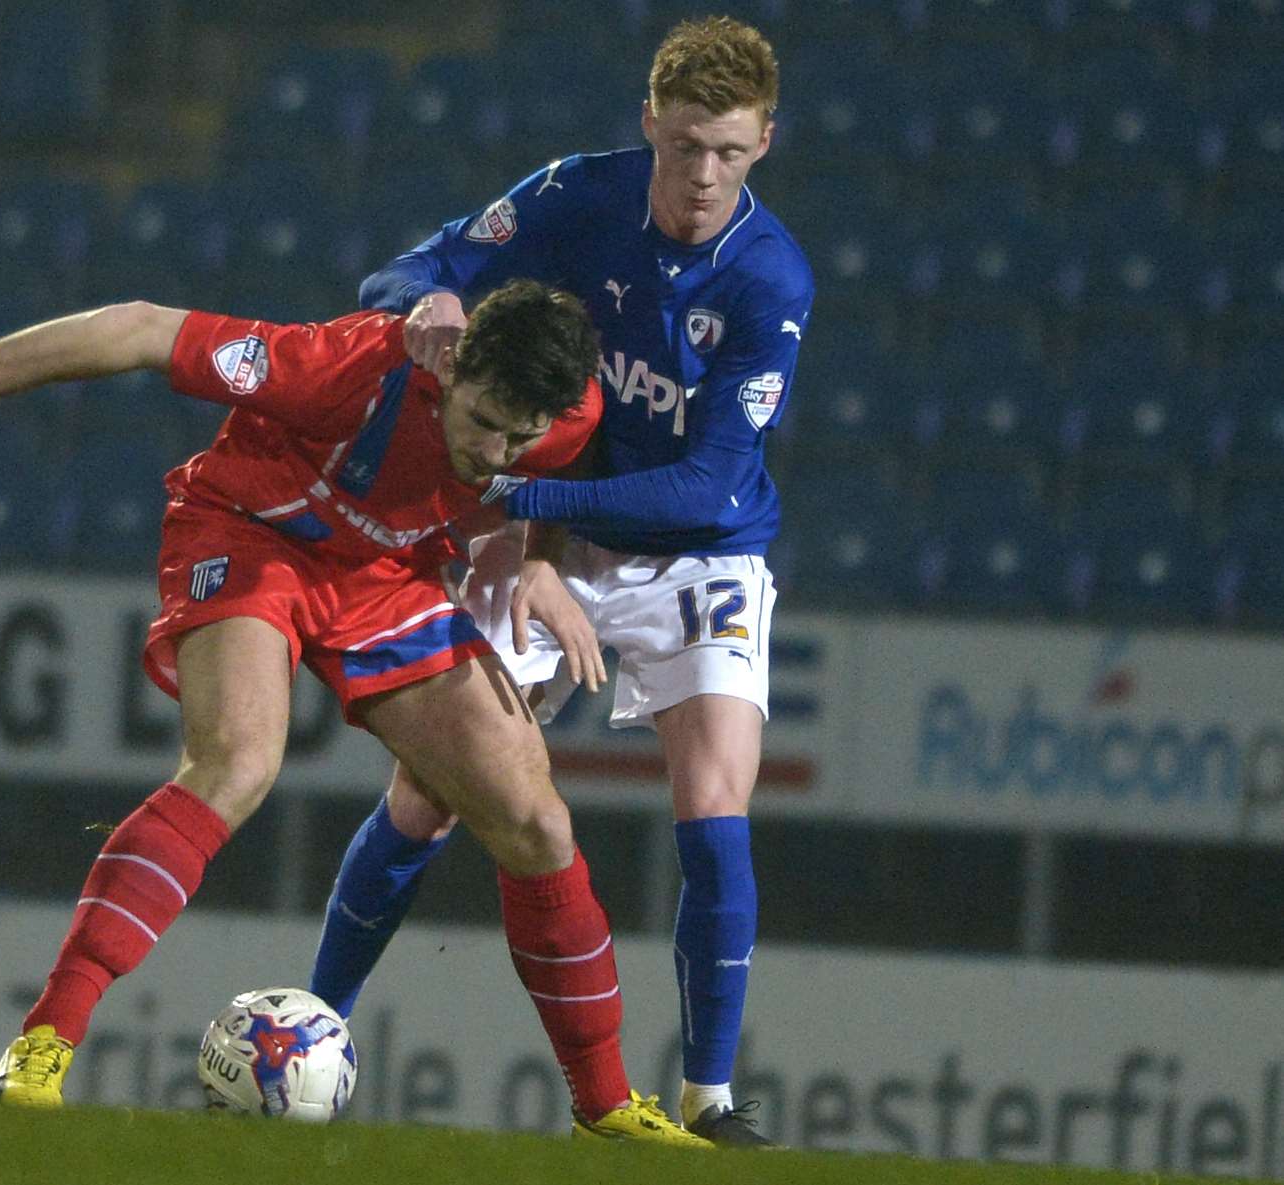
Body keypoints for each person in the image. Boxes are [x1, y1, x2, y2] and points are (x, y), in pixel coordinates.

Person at [0, 279, 710, 1147]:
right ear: (453, 364)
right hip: (251, 534)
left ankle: (605, 1109)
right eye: (481, 422)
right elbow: (141, 327)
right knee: (238, 764)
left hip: (384, 579)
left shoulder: (562, 416)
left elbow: (554, 469)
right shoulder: (342, 368)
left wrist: (535, 557)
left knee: (537, 822)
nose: (494, 452)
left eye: (518, 436)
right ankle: (43, 1042)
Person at [306, 16, 813, 1147]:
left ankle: (709, 1100)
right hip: (552, 535)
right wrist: (426, 301)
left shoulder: (770, 280)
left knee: (715, 806)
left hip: (698, 550)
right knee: (432, 793)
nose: (701, 177)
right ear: (650, 124)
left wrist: (523, 510)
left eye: (728, 153)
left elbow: (701, 484)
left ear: (766, 144)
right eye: (685, 146)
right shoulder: (578, 194)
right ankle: (312, 1028)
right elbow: (413, 265)